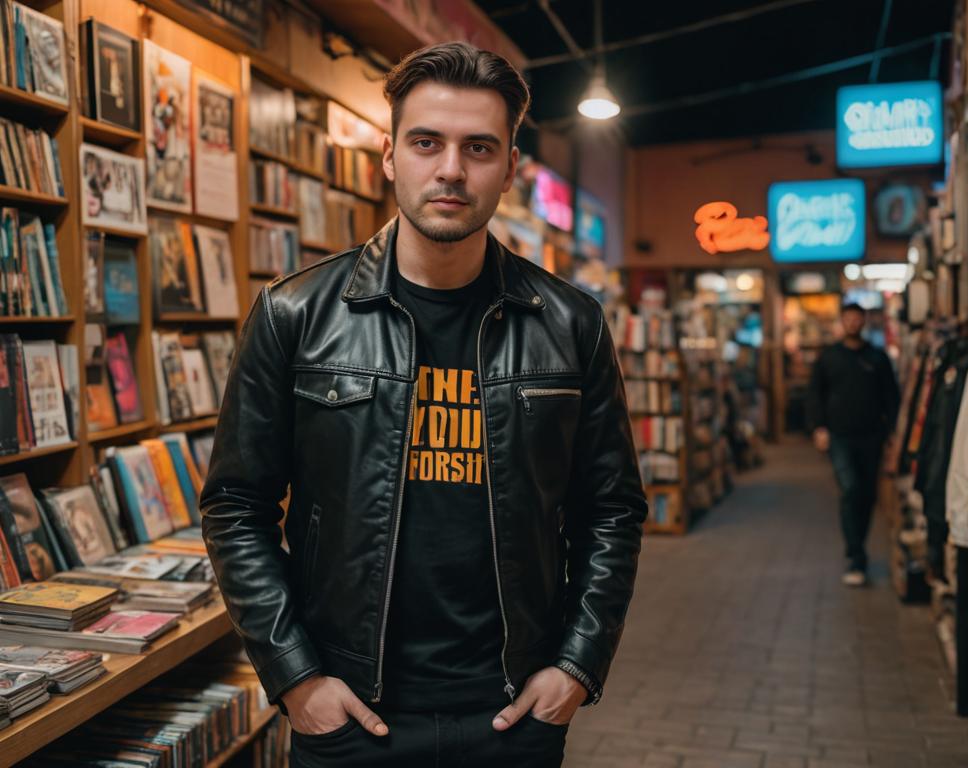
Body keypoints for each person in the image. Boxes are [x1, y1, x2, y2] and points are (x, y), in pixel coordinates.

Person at [200, 41, 647, 767]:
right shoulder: (296, 315)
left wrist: (576, 668)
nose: (450, 169)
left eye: (478, 148)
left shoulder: (570, 324)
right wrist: (297, 678)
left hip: (512, 713)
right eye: (426, 142)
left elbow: (611, 511)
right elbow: (236, 506)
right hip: (349, 712)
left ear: (508, 167)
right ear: (389, 156)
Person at [808, 301, 899, 587]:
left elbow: (891, 397)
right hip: (839, 435)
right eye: (847, 318)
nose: (852, 323)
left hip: (872, 435)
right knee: (850, 489)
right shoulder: (829, 357)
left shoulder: (878, 357)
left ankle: (858, 544)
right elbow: (815, 394)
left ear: (863, 322)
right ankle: (856, 555)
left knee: (867, 495)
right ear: (841, 322)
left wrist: (893, 434)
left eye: (856, 319)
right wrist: (818, 427)